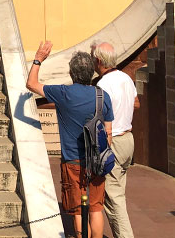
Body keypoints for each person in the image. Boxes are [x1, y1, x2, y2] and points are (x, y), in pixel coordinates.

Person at [26, 41, 113, 238]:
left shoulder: (63, 94)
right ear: (91, 72)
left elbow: (31, 84)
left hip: (73, 162)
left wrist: (39, 58)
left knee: (77, 209)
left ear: (72, 73)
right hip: (97, 160)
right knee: (96, 207)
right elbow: (108, 132)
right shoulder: (102, 95)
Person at [91, 42, 137, 238]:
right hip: (128, 139)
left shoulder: (103, 84)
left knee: (114, 199)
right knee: (119, 192)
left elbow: (97, 115)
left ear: (99, 61)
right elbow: (136, 102)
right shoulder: (126, 78)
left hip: (115, 141)